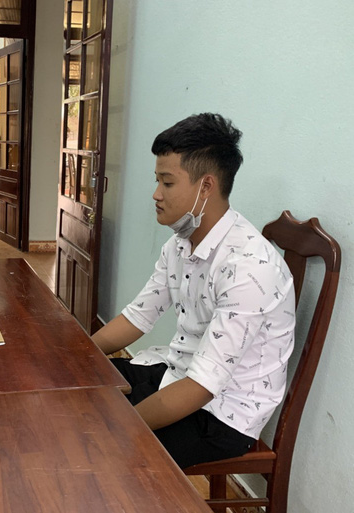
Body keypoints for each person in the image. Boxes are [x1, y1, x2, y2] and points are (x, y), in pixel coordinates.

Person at [93, 113, 296, 468]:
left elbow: (202, 387)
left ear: (206, 186)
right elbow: (138, 317)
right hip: (176, 374)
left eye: (167, 183)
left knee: (102, 452)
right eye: (157, 180)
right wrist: (76, 360)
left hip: (221, 415)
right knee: (84, 390)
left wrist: (120, 426)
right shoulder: (180, 243)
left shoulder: (249, 268)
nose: (156, 194)